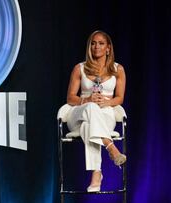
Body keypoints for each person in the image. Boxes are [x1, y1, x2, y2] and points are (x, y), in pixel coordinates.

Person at [66, 30, 127, 192]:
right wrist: (86, 100)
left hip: (105, 112)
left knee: (88, 127)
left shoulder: (118, 69)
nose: (96, 46)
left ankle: (96, 173)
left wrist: (107, 101)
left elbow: (120, 98)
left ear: (108, 48)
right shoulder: (79, 68)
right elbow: (71, 98)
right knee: (91, 109)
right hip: (79, 112)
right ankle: (110, 147)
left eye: (100, 43)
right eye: (93, 43)